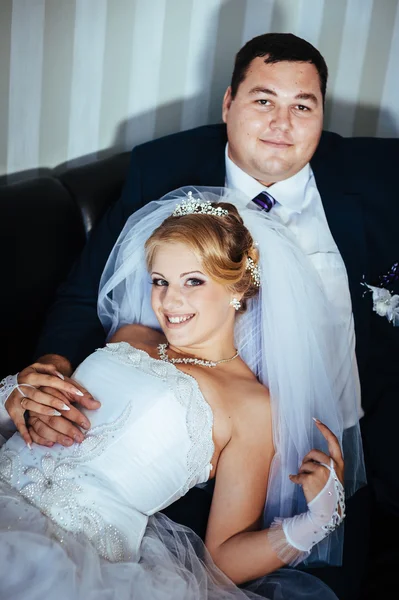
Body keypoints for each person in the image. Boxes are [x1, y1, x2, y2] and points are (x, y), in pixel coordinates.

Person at [4, 32, 398, 597]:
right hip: (176, 458)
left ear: (321, 114)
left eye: (302, 106)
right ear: (228, 105)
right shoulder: (164, 175)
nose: (281, 124)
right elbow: (83, 294)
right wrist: (44, 373)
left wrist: (322, 507)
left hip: (339, 442)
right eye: (263, 100)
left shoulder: (381, 176)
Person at [0, 188, 361, 599]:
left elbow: (222, 558)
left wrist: (315, 522)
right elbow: (37, 413)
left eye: (193, 281)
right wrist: (19, 394)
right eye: (160, 281)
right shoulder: (130, 336)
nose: (170, 300)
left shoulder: (252, 407)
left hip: (74, 561)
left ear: (237, 289)